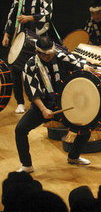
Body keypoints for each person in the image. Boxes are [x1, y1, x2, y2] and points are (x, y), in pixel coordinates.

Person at [15, 36, 94, 173]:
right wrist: (44, 109)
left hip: (63, 102)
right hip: (43, 105)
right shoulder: (30, 65)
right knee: (20, 130)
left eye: (50, 53)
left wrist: (85, 66)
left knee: (85, 126)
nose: (49, 56)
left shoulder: (58, 55)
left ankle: (73, 157)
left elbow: (76, 61)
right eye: (45, 55)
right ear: (37, 52)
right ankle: (27, 165)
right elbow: (33, 92)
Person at [2, 0, 55, 114]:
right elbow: (11, 18)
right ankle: (20, 102)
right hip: (21, 40)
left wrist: (29, 18)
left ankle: (45, 101)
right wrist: (6, 34)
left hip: (40, 41)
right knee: (15, 70)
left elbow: (47, 16)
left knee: (39, 72)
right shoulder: (19, 0)